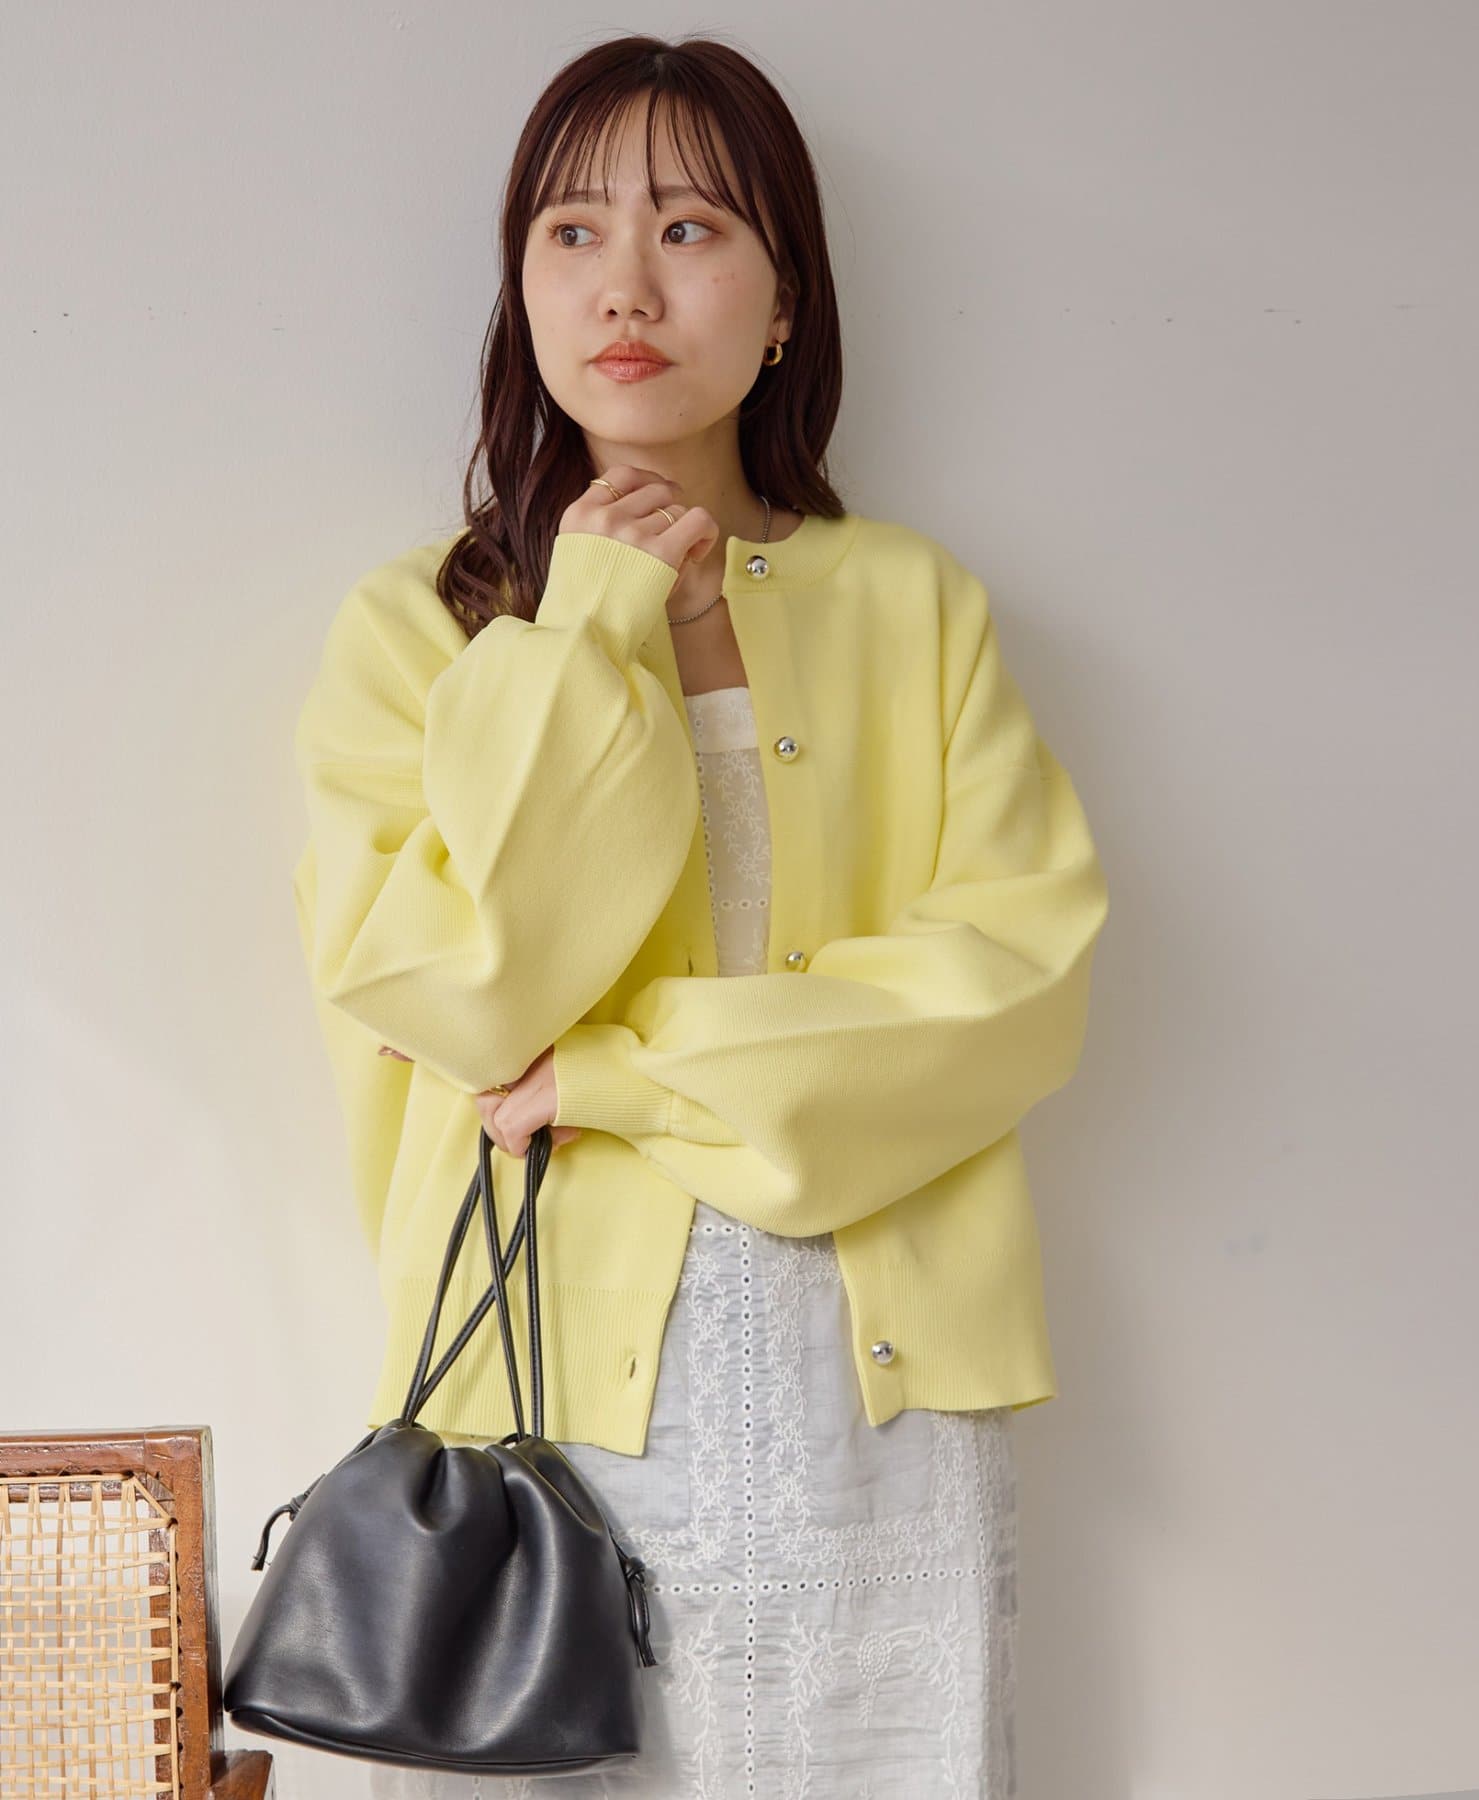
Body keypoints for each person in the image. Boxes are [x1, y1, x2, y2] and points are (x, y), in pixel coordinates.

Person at [292, 32, 1110, 1800]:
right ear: (521, 289)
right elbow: (454, 988)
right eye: (572, 232)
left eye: (690, 228)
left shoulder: (915, 605)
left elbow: (1015, 984)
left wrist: (620, 1077)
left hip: (869, 1387)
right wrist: (592, 616)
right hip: (539, 1385)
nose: (627, 285)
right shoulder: (421, 629)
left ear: (786, 297)